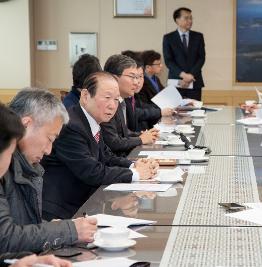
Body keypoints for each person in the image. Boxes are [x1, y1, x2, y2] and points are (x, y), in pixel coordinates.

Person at [41, 72, 158, 220]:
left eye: (116, 100)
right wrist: (137, 174)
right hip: (61, 210)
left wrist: (134, 165)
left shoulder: (91, 119)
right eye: (107, 97)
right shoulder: (72, 125)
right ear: (85, 95)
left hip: (82, 204)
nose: (112, 105)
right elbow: (91, 172)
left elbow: (106, 156)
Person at [0, 89, 97, 253]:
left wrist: (54, 229)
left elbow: (22, 227)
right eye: (50, 139)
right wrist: (68, 230)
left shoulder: (27, 166)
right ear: (26, 125)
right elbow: (5, 238)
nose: (49, 150)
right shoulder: (3, 165)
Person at [102, 54, 159, 156]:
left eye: (138, 77)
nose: (137, 82)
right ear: (115, 78)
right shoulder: (106, 103)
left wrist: (143, 135)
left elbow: (123, 132)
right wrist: (140, 139)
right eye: (132, 77)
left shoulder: (120, 100)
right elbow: (113, 142)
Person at [121, 51, 174, 131]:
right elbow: (136, 113)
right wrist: (160, 112)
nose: (137, 81)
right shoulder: (121, 97)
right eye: (133, 76)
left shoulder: (134, 94)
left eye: (140, 76)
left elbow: (143, 106)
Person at [163, 7, 205, 100]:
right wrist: (183, 75)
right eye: (186, 18)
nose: (190, 21)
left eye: (191, 18)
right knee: (175, 111)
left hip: (194, 82)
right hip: (176, 82)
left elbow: (201, 58)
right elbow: (168, 61)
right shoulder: (168, 38)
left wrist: (190, 76)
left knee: (195, 111)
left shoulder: (198, 37)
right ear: (177, 20)